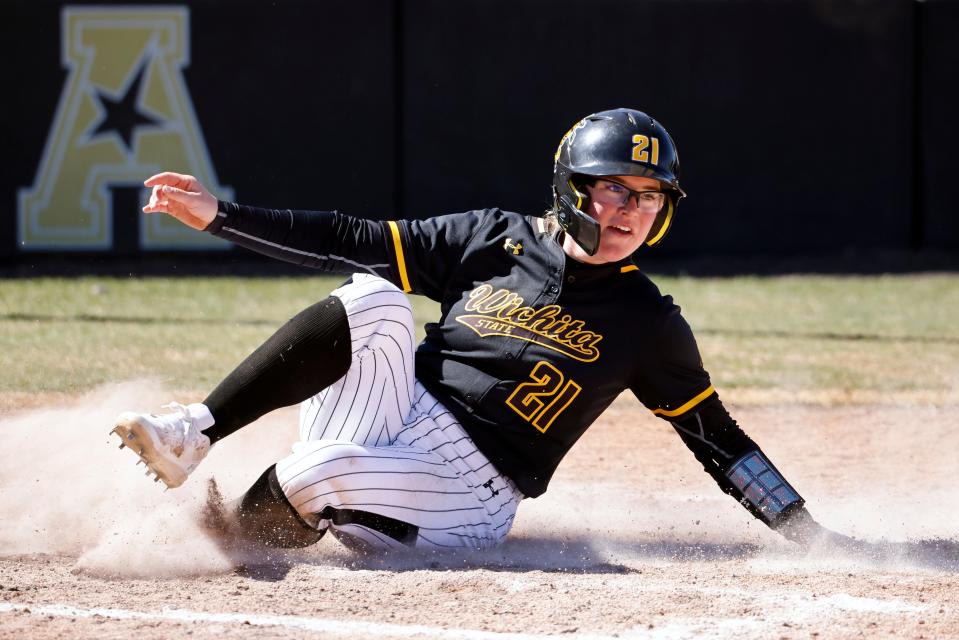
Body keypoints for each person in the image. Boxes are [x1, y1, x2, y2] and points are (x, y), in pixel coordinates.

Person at [113, 108, 852, 552]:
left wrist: (806, 534)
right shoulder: (492, 238)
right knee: (374, 298)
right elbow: (349, 234)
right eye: (615, 190)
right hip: (397, 416)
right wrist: (220, 216)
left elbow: (718, 439)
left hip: (471, 488)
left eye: (650, 198)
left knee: (315, 471)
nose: (632, 211)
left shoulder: (646, 320)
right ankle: (195, 430)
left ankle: (230, 548)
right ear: (570, 188)